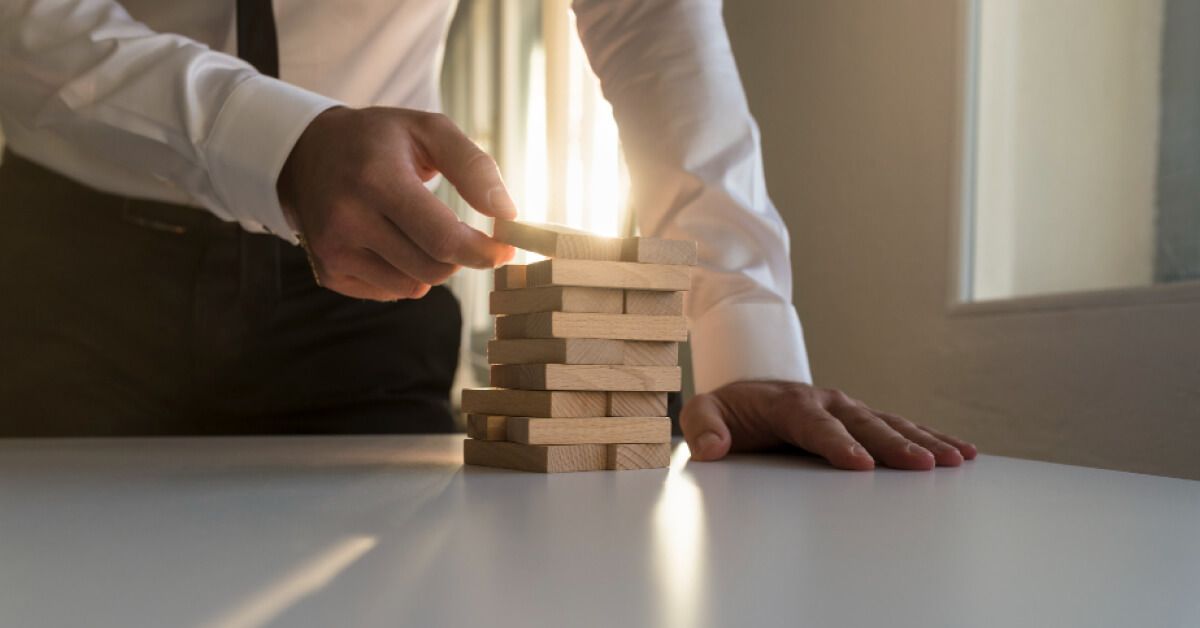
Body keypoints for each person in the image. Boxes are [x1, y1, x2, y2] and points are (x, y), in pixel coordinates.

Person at [0, 0, 977, 469]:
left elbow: (649, 17)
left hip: (372, 297)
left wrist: (741, 329)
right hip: (60, 275)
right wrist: (280, 145)